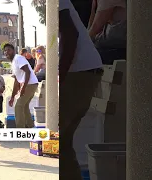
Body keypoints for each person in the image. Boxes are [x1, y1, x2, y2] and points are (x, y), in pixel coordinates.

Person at [59, 0, 104, 179]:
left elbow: (71, 35)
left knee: (56, 138)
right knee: (62, 140)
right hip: (85, 71)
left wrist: (59, 78)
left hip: (78, 72)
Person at [3, 43, 38, 128]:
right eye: (5, 51)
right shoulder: (13, 62)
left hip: (30, 84)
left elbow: (28, 71)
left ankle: (20, 130)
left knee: (18, 106)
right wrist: (12, 97)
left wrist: (23, 87)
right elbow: (16, 81)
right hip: (30, 84)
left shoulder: (18, 58)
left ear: (13, 51)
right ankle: (30, 127)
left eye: (9, 50)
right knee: (24, 106)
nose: (7, 52)